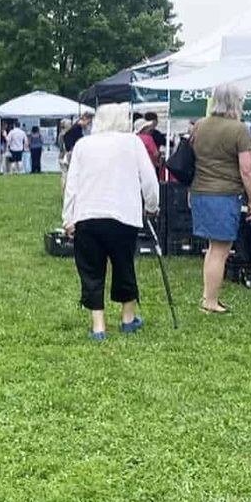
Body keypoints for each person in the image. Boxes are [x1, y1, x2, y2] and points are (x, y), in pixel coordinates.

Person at [62, 101, 159, 340]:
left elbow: (71, 185)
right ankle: (127, 319)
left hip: (88, 214)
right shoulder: (132, 142)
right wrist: (152, 206)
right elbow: (149, 179)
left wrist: (68, 218)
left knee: (91, 269)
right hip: (123, 215)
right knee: (124, 264)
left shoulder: (83, 145)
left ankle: (98, 326)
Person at [190, 83, 251, 315]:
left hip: (200, 191)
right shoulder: (238, 129)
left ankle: (207, 295)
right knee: (221, 250)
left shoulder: (199, 126)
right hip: (224, 194)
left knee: (212, 248)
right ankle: (210, 301)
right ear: (236, 102)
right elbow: (247, 170)